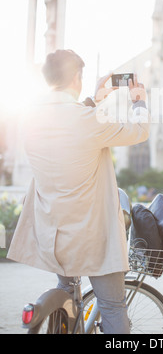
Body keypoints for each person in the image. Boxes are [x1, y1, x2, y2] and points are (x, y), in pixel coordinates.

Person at [7, 49, 150, 334]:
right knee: (112, 306)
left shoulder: (29, 117)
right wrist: (139, 101)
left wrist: (93, 101)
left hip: (53, 232)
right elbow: (139, 130)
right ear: (77, 77)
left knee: (67, 288)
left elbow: (69, 124)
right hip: (92, 235)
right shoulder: (89, 120)